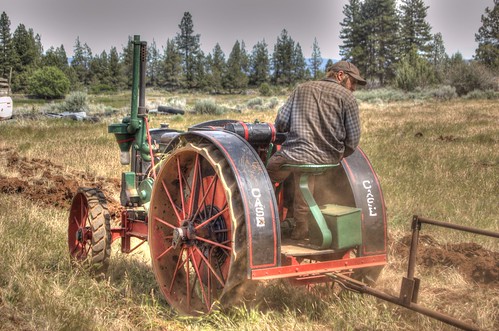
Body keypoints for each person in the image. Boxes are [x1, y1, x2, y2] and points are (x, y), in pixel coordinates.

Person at [266, 60, 366, 240]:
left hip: (296, 155)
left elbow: (281, 123)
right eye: (354, 82)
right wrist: (337, 154)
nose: (354, 88)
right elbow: (353, 140)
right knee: (303, 175)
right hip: (328, 159)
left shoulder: (301, 89)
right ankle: (300, 228)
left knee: (267, 173)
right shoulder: (348, 98)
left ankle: (265, 220)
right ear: (340, 75)